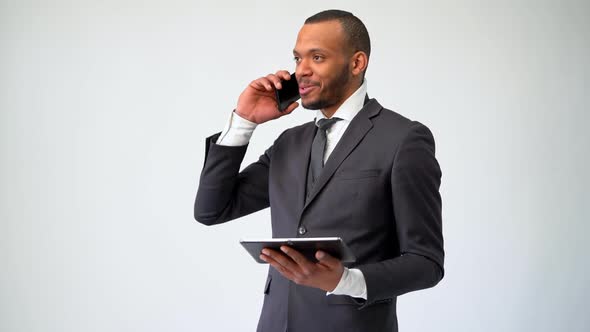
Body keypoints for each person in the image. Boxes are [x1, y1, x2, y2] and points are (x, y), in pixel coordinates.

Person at [194, 9, 444, 332]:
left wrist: (346, 280)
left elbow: (426, 262)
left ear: (356, 63)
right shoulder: (289, 143)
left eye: (317, 57)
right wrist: (244, 121)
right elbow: (211, 209)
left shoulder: (403, 140)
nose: (301, 71)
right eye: (298, 59)